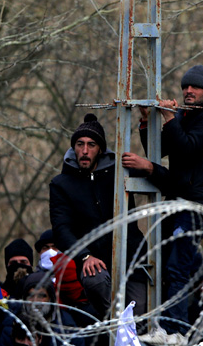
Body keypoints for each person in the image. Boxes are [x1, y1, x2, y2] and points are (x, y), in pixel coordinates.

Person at [122, 64, 203, 345]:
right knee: (169, 267)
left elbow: (185, 148)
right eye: (185, 87)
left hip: (195, 207)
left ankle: (176, 332)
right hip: (176, 203)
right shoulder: (186, 117)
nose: (187, 91)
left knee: (176, 268)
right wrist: (147, 122)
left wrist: (169, 118)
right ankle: (180, 322)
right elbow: (160, 149)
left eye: (194, 87)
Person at [49, 113, 147, 320]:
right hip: (93, 260)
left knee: (139, 318)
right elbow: (61, 229)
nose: (84, 151)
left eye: (91, 145)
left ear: (100, 149)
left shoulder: (120, 173)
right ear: (73, 147)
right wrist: (84, 255)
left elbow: (162, 181)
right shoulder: (61, 184)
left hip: (132, 258)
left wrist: (149, 167)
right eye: (79, 144)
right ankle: (115, 325)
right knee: (96, 282)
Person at [0, 272, 84, 346]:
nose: (35, 301)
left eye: (42, 296)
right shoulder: (12, 323)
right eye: (31, 296)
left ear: (51, 299)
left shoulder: (67, 328)